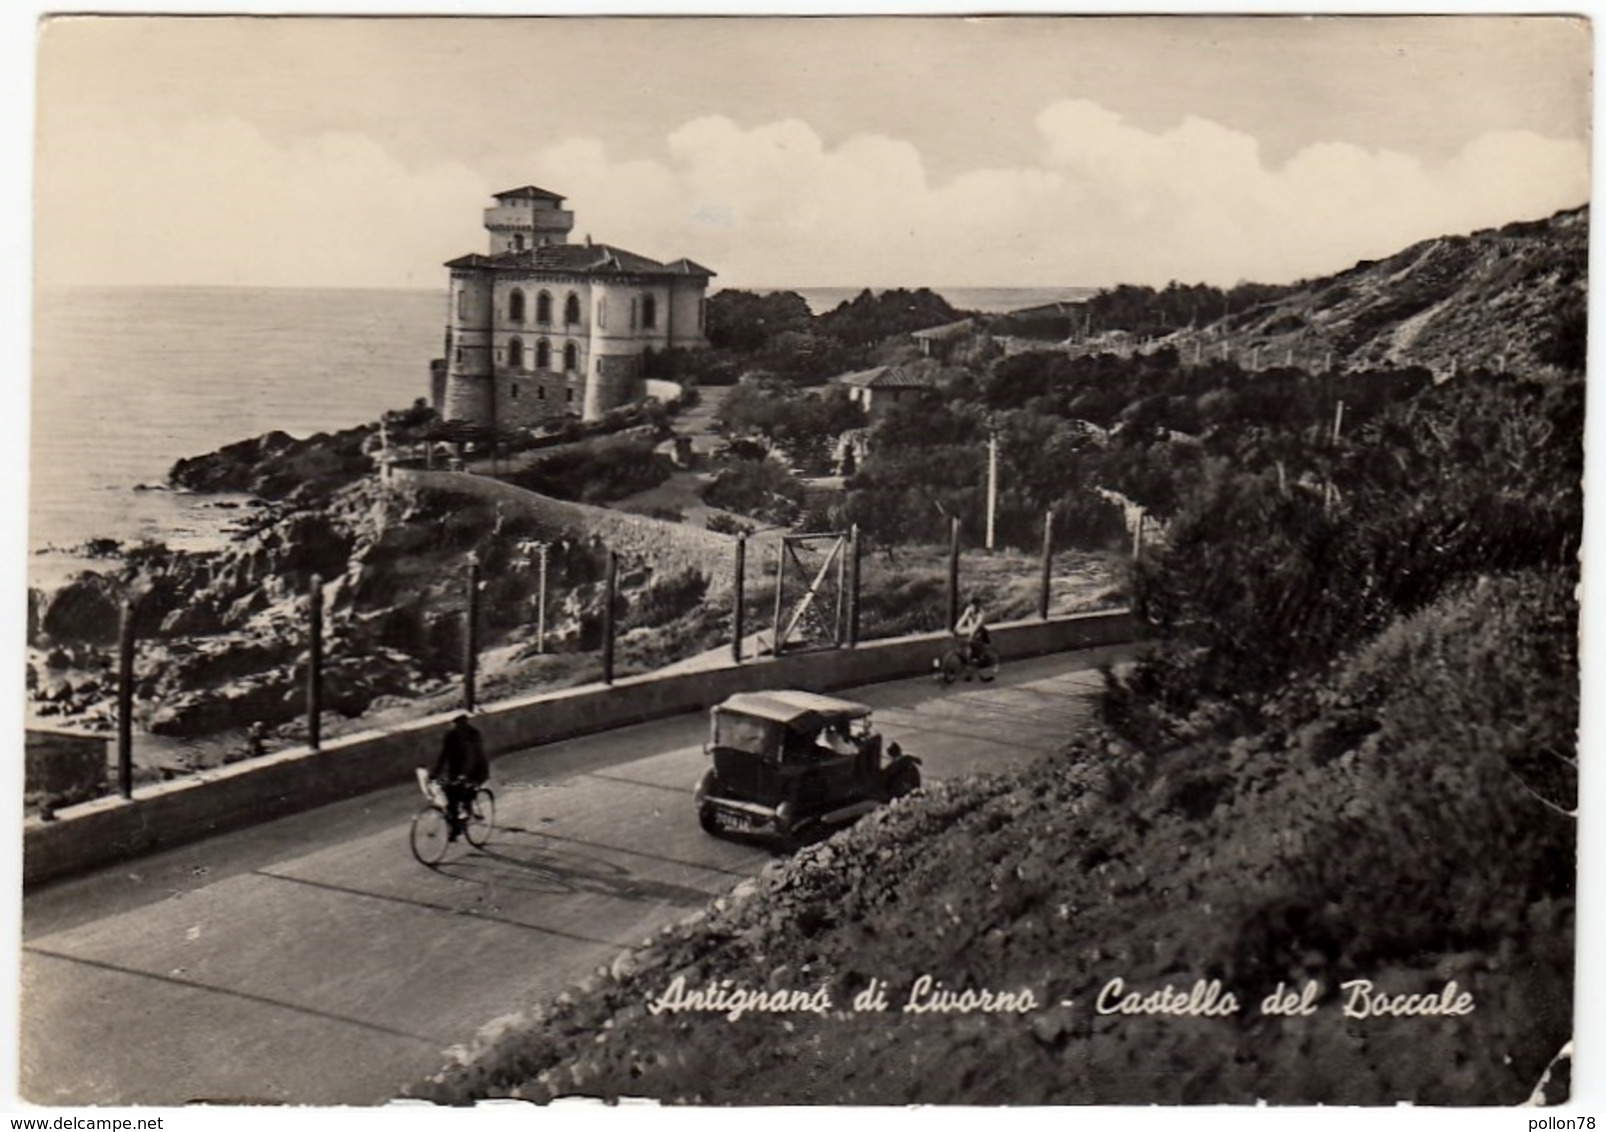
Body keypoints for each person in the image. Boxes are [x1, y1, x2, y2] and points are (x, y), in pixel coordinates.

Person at [432, 714, 489, 840]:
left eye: (458, 723)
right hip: (456, 771)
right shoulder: (450, 735)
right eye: (453, 723)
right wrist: (434, 774)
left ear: (464, 722)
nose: (455, 726)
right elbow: (444, 755)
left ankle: (467, 811)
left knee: (464, 794)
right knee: (449, 795)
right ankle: (455, 827)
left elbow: (473, 757)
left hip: (476, 770)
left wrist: (463, 775)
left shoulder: (473, 735)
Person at [954, 596, 991, 666]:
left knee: (975, 644)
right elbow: (963, 619)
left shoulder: (981, 613)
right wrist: (957, 628)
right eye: (972, 606)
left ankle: (980, 658)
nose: (973, 608)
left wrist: (972, 633)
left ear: (978, 606)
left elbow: (978, 624)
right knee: (967, 645)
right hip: (972, 629)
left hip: (980, 631)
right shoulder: (968, 610)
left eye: (975, 606)